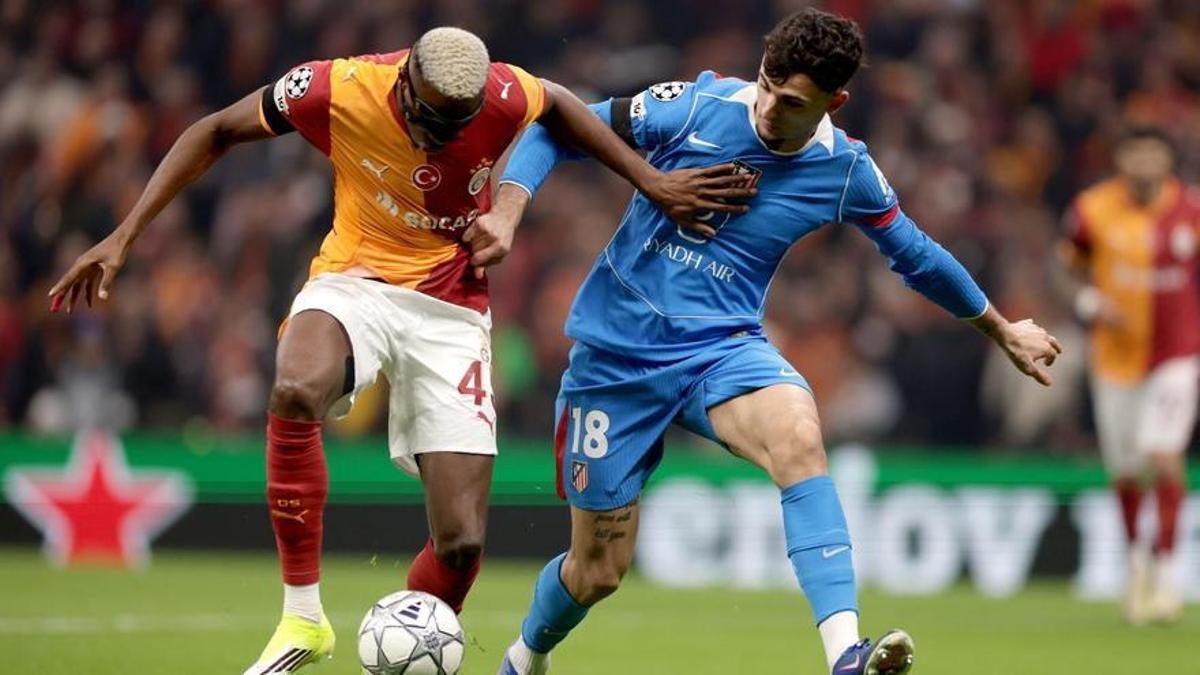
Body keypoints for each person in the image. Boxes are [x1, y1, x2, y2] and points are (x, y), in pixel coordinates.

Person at [46, 27, 753, 675]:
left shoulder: (501, 93)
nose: (442, 137)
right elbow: (215, 129)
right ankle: (302, 617)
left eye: (458, 126)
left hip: (452, 308)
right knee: (296, 387)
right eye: (431, 120)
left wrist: (646, 182)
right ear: (405, 83)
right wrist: (124, 236)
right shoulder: (337, 88)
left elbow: (562, 106)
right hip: (356, 281)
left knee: (461, 545)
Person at [475, 9, 1062, 675]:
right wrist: (506, 212)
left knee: (798, 435)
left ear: (832, 103)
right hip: (615, 361)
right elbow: (558, 123)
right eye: (765, 85)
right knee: (597, 571)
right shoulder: (695, 106)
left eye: (790, 103)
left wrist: (1002, 327)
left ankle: (846, 653)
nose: (767, 108)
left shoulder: (845, 171)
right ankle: (527, 656)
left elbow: (917, 256)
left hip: (721, 352)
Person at [1059, 125, 1199, 624]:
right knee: (1125, 471)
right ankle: (1136, 564)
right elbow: (1068, 266)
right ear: (1121, 160)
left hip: (1176, 357)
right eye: (1134, 152)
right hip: (1115, 360)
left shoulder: (1192, 212)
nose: (1144, 162)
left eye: (1153, 153)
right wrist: (1091, 301)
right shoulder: (1092, 209)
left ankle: (1168, 576)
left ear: (1167, 160)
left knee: (1163, 456)